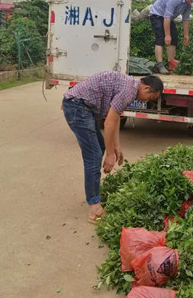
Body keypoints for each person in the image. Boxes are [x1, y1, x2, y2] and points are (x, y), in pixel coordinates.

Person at [62, 71, 163, 224]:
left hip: (79, 106)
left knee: (99, 148)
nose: (148, 101)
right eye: (151, 97)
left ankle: (93, 194)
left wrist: (116, 146)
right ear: (146, 88)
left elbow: (114, 118)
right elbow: (108, 123)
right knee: (94, 155)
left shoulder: (129, 85)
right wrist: (110, 154)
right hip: (77, 107)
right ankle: (94, 207)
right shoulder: (130, 90)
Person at [149, 0, 193, 74]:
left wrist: (186, 35)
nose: (192, 1)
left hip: (168, 18)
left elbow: (186, 19)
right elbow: (166, 18)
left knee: (174, 38)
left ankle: (171, 63)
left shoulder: (188, 5)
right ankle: (160, 65)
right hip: (157, 14)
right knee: (161, 38)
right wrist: (167, 35)